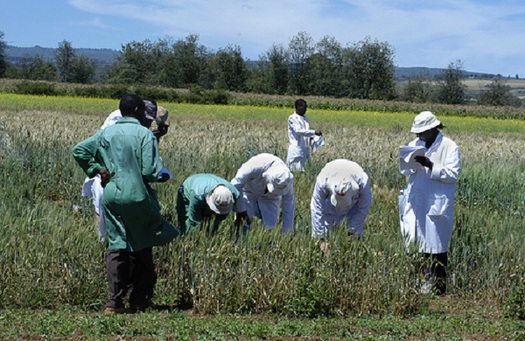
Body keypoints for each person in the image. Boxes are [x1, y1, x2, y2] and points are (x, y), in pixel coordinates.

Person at [72, 94, 180, 314]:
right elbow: (149, 171)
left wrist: (97, 170)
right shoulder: (144, 135)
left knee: (117, 245)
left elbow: (79, 150)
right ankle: (139, 299)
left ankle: (113, 302)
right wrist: (162, 175)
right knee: (143, 242)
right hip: (137, 195)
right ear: (140, 110)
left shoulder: (106, 132)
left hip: (111, 195)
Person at [81, 99, 170, 242]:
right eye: (146, 120)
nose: (147, 124)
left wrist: (156, 136)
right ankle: (102, 244)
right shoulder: (117, 119)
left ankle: (115, 246)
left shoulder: (137, 124)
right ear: (137, 111)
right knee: (102, 215)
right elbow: (117, 147)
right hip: (109, 176)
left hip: (124, 177)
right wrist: (97, 169)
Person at [398, 111, 461, 295]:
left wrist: (430, 164)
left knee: (437, 247)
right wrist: (406, 161)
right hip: (415, 199)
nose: (418, 136)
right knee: (415, 244)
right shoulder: (415, 144)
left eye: (422, 132)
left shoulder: (450, 147)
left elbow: (452, 175)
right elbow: (406, 171)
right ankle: (419, 285)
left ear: (433, 128)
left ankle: (440, 289)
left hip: (436, 203)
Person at [310, 159, 372, 251]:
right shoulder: (323, 180)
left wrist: (351, 232)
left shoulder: (362, 182)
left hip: (354, 206)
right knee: (326, 235)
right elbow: (317, 208)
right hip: (330, 206)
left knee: (353, 241)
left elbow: (362, 210)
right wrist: (320, 238)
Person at [231, 153, 295, 235]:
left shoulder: (286, 178)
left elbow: (288, 205)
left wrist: (287, 233)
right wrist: (240, 210)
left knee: (270, 229)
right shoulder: (253, 166)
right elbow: (235, 185)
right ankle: (240, 242)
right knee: (243, 224)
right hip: (248, 193)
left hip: (270, 198)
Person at [286, 99, 323, 172]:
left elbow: (307, 132)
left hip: (305, 149)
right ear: (298, 107)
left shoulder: (305, 118)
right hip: (296, 148)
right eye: (304, 107)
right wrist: (314, 132)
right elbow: (299, 131)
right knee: (294, 170)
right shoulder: (292, 118)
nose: (306, 109)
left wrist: (313, 138)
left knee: (305, 170)